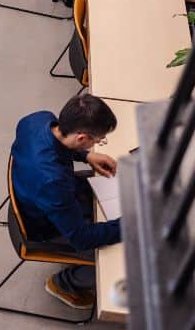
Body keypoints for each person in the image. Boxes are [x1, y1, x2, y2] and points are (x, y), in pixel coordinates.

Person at [10, 93, 120, 310]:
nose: (99, 143)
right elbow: (81, 238)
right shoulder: (53, 181)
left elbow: (56, 146)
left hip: (36, 192)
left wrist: (86, 156)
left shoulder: (39, 119)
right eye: (98, 140)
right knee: (122, 257)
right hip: (44, 225)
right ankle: (65, 284)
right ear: (81, 138)